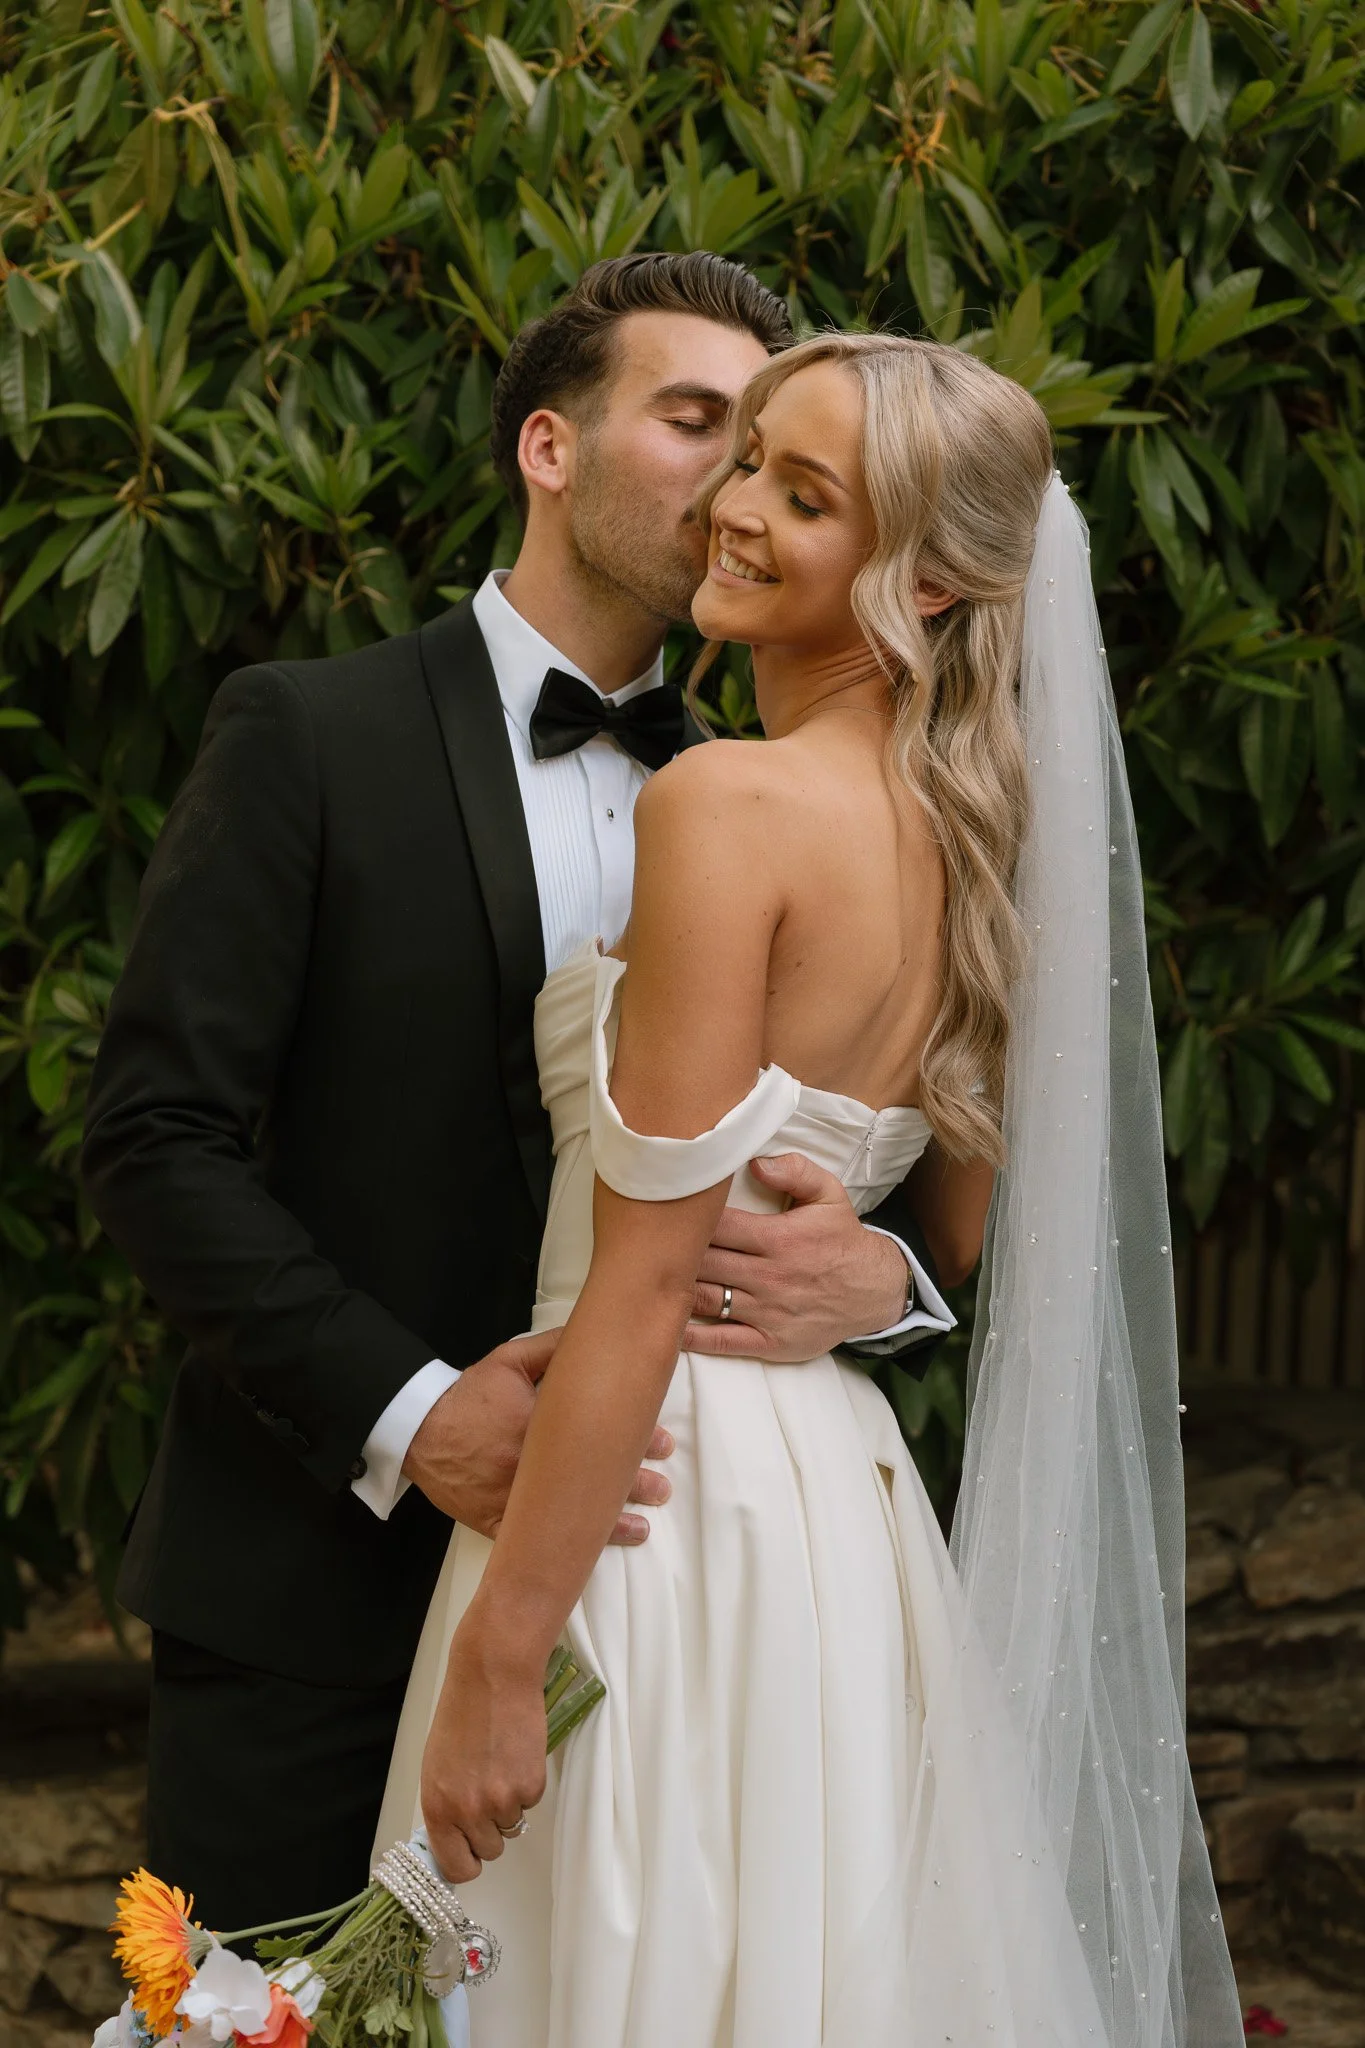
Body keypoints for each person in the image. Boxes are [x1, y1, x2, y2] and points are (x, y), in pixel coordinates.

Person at [379, 335, 1244, 2047]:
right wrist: (875, 1278)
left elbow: (638, 1286)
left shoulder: (729, 802)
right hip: (839, 1529)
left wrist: (501, 1662)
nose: (736, 506)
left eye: (804, 489)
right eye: (748, 456)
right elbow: (960, 1236)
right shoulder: (985, 840)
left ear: (923, 578)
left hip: (640, 1515)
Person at [80, 257, 953, 1934]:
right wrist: (419, 1417)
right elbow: (154, 1139)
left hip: (663, 1605)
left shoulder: (782, 797)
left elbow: (885, 1138)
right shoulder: (308, 735)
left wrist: (886, 1275)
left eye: (767, 442)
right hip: (312, 1595)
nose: (734, 480)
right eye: (695, 420)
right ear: (550, 448)